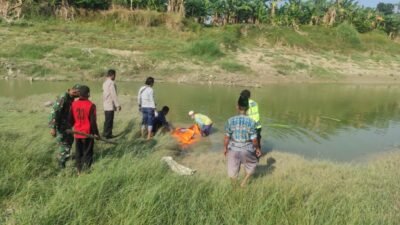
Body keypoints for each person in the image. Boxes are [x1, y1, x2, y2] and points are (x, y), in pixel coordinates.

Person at [224, 95, 262, 187]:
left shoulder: (230, 120)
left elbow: (226, 137)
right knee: (252, 164)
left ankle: (234, 187)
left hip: (233, 148)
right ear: (248, 108)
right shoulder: (252, 122)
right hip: (247, 148)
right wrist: (257, 149)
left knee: (232, 171)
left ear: (237, 106)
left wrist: (225, 148)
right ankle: (243, 183)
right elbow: (254, 139)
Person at [48, 84, 80, 168]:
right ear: (71, 90)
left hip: (66, 126)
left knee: (69, 141)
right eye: (76, 91)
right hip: (60, 126)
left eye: (78, 93)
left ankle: (64, 159)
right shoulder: (64, 97)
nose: (78, 94)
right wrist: (52, 127)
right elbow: (54, 111)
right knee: (64, 145)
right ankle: (60, 166)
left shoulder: (71, 98)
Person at [70, 85, 99, 175]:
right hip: (88, 134)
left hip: (77, 133)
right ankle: (86, 172)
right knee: (88, 153)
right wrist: (96, 134)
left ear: (79, 94)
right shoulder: (91, 105)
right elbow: (93, 122)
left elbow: (71, 119)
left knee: (79, 153)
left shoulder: (73, 104)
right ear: (88, 94)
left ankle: (79, 171)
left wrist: (71, 129)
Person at [102, 69, 121, 139]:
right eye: (115, 75)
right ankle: (108, 134)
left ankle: (105, 133)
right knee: (109, 120)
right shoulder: (111, 83)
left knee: (107, 120)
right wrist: (117, 105)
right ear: (112, 75)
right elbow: (113, 95)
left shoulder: (105, 83)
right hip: (109, 104)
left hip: (106, 104)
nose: (115, 77)